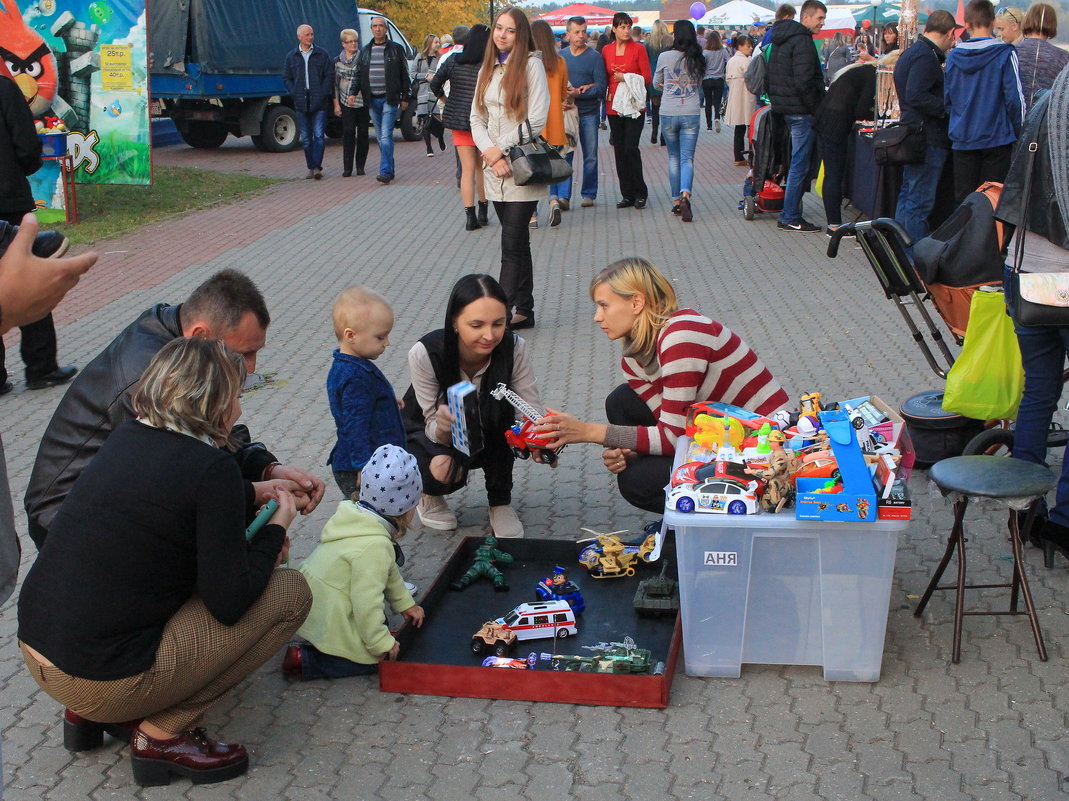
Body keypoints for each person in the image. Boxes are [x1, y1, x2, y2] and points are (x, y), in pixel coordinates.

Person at [17, 337, 311, 787]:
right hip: (99, 678)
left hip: (41, 648)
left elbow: (174, 501)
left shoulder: (129, 436)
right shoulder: (208, 467)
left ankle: (90, 717)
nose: (238, 405)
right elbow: (228, 602)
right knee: (290, 594)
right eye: (235, 394)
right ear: (212, 403)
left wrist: (255, 492)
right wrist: (275, 531)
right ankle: (161, 735)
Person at [24, 269, 326, 548]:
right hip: (63, 516)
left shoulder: (175, 336)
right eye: (243, 354)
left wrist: (266, 468)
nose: (251, 368)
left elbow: (211, 443)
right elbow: (187, 482)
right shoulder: (148, 379)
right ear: (199, 335)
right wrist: (257, 500)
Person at [535, 258, 789, 514]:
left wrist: (587, 432)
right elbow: (670, 431)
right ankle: (682, 522)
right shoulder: (633, 361)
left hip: (767, 447)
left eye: (604, 305)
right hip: (720, 435)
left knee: (637, 482)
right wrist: (630, 452)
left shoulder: (682, 335)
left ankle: (707, 526)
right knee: (621, 401)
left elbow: (673, 437)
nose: (596, 317)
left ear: (636, 302)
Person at [403, 274, 546, 539]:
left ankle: (500, 502)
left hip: (489, 425)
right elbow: (431, 423)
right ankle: (429, 494)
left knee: (505, 421)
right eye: (476, 325)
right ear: (455, 322)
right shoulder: (425, 353)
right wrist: (445, 428)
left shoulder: (514, 347)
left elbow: (529, 408)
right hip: (428, 433)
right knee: (445, 470)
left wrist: (542, 439)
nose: (489, 335)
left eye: (498, 323)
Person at [999, 65, 1069, 561]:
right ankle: (1064, 524)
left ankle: (1023, 511)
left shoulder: (1047, 102)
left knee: (1039, 390)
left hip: (1025, 272)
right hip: (1063, 275)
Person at [285, 444, 424, 680]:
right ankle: (304, 660)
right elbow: (366, 602)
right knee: (374, 660)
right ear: (406, 508)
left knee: (376, 632)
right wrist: (381, 643)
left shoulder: (357, 517)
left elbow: (389, 574)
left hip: (312, 603)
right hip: (328, 617)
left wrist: (405, 605)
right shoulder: (375, 546)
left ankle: (353, 640)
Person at [470, 7, 550, 330]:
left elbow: (538, 119)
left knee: (511, 243)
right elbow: (476, 117)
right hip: (494, 169)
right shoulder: (487, 68)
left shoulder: (532, 66)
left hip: (522, 167)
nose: (502, 35)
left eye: (510, 30)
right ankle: (525, 309)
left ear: (522, 35)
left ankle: (498, 314)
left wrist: (499, 147)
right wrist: (489, 152)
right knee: (518, 243)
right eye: (498, 28)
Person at [0, 64, 77, 394]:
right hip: (9, 200)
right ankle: (40, 366)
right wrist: (20, 170)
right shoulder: (4, 87)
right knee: (30, 277)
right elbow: (28, 146)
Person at [326, 287, 406, 499]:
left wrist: (386, 404)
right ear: (351, 335)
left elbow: (357, 408)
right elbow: (355, 426)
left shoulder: (345, 366)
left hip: (363, 462)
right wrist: (364, 466)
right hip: (362, 466)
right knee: (369, 521)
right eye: (380, 336)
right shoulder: (355, 376)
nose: (387, 343)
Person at [945, 0, 1025, 203]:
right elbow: (1015, 99)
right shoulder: (1005, 54)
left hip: (963, 137)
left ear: (967, 24)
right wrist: (1019, 132)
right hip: (997, 138)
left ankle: (964, 235)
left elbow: (948, 98)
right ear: (993, 22)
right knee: (993, 202)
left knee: (964, 204)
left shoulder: (953, 57)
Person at [893, 10, 960, 244]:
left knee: (908, 197)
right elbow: (916, 94)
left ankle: (900, 252)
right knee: (919, 204)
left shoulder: (913, 52)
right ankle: (915, 261)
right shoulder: (925, 56)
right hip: (927, 137)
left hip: (913, 134)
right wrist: (948, 108)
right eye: (955, 36)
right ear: (951, 32)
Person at [768, 0, 828, 233]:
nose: (822, 23)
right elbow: (805, 81)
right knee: (799, 165)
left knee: (795, 163)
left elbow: (771, 75)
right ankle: (790, 215)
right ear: (806, 17)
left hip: (785, 108)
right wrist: (817, 108)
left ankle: (791, 212)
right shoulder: (802, 41)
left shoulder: (781, 39)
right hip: (801, 111)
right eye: (820, 18)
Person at [431, 24, 491, 232]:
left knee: (466, 170)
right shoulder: (488, 64)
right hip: (483, 120)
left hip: (458, 120)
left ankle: (469, 216)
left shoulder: (454, 60)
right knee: (481, 169)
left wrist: (446, 99)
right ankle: (484, 211)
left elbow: (434, 83)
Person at [814, 61, 877, 234]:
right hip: (835, 124)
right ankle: (834, 225)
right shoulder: (872, 75)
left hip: (825, 119)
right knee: (834, 174)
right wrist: (875, 113)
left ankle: (834, 223)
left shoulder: (859, 71)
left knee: (831, 173)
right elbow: (861, 110)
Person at [654, 19, 705, 223]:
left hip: (668, 111)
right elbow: (698, 85)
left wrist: (664, 87)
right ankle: (686, 194)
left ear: (675, 36)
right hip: (691, 112)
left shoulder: (665, 56)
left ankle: (676, 202)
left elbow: (656, 81)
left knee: (673, 157)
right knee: (687, 158)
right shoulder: (698, 58)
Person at [352, 16, 411, 184]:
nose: (377, 29)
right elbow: (358, 74)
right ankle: (390, 169)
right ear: (371, 29)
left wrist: (405, 96)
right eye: (374, 26)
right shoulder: (365, 51)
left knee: (385, 136)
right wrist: (353, 92)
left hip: (389, 99)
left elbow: (404, 75)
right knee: (380, 138)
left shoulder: (396, 49)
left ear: (386, 29)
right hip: (372, 99)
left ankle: (384, 171)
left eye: (380, 26)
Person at [603, 11, 652, 210]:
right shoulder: (607, 50)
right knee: (619, 150)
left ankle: (641, 192)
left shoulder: (638, 49)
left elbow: (647, 77)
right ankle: (627, 194)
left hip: (633, 106)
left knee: (631, 148)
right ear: (614, 28)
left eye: (628, 26)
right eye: (622, 27)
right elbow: (604, 76)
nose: (625, 30)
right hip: (613, 106)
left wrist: (627, 77)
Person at [558, 16, 607, 208]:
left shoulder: (594, 57)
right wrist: (560, 100)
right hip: (567, 113)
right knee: (565, 153)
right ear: (568, 34)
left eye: (584, 31)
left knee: (590, 155)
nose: (581, 36)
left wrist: (579, 93)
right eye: (577, 32)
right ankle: (564, 196)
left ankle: (588, 193)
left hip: (589, 112)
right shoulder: (561, 56)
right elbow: (553, 84)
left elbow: (601, 88)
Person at [530, 19, 570, 230]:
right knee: (552, 168)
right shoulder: (560, 62)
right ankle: (553, 199)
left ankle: (533, 215)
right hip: (555, 124)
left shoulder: (528, 63)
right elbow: (563, 93)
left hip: (534, 126)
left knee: (534, 169)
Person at [283, 24, 333, 180]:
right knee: (306, 138)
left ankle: (317, 166)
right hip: (301, 101)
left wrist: (322, 93)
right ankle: (310, 166)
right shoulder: (292, 56)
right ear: (299, 37)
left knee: (318, 135)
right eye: (307, 35)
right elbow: (286, 78)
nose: (310, 37)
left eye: (312, 34)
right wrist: (294, 92)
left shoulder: (321, 54)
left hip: (319, 102)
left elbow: (329, 76)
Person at [1016, 4, 1069, 112]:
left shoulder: (1012, 52)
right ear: (1053, 24)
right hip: (1045, 122)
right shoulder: (1063, 57)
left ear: (1027, 20)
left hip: (1013, 119)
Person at [333, 28, 369, 177]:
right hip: (345, 101)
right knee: (348, 132)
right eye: (350, 41)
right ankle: (347, 168)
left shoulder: (363, 58)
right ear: (343, 44)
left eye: (355, 41)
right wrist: (336, 104)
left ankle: (360, 166)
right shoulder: (337, 61)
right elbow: (335, 84)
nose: (353, 44)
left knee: (363, 133)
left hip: (362, 101)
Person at [725, 34, 756, 165]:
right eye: (748, 46)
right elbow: (752, 78)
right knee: (750, 126)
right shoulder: (746, 61)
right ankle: (751, 156)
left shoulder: (732, 60)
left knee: (739, 127)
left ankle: (738, 156)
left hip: (734, 94)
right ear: (740, 46)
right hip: (746, 95)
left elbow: (727, 79)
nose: (751, 48)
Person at [412, 33, 443, 157]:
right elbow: (412, 73)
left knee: (437, 118)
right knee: (425, 119)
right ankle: (429, 148)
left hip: (436, 92)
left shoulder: (441, 58)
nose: (438, 44)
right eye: (436, 42)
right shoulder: (420, 57)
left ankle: (440, 136)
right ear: (429, 43)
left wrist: (436, 79)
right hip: (423, 92)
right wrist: (425, 76)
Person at [645, 20, 673, 145]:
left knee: (655, 106)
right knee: (666, 108)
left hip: (652, 75)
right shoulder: (670, 41)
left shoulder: (648, 42)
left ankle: (654, 131)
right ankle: (663, 136)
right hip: (667, 75)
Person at [701, 31, 728, 133]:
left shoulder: (705, 52)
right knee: (717, 101)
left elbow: (702, 65)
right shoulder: (723, 50)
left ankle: (709, 126)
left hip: (707, 79)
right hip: (719, 79)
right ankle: (717, 117)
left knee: (708, 102)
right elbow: (728, 60)